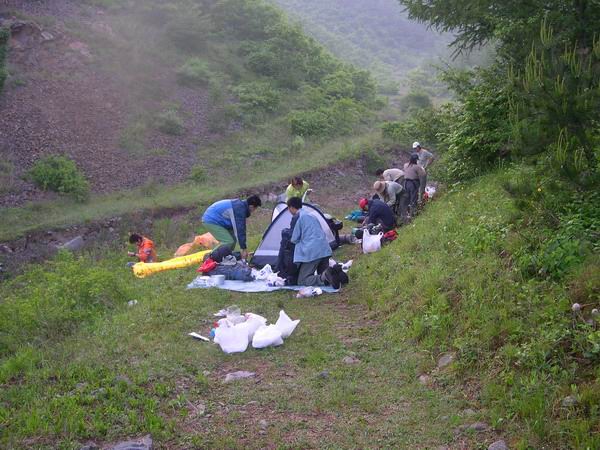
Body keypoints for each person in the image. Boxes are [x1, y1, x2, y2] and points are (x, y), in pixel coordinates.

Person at [288, 197, 342, 288]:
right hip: (325, 249)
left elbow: (294, 239)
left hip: (312, 252)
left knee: (302, 280)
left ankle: (324, 277)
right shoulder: (312, 215)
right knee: (325, 274)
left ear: (291, 207)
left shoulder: (297, 217)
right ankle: (337, 274)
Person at [201, 195, 262, 261]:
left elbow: (238, 230)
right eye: (255, 209)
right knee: (228, 241)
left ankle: (226, 258)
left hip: (221, 220)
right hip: (211, 220)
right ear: (251, 207)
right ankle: (209, 258)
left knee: (233, 240)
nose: (254, 211)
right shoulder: (239, 210)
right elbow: (240, 230)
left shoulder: (241, 206)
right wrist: (243, 249)